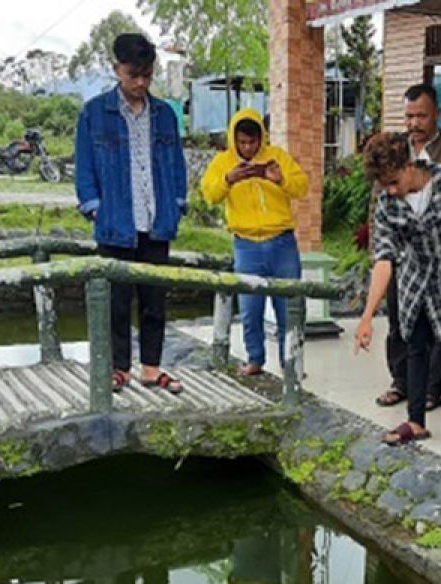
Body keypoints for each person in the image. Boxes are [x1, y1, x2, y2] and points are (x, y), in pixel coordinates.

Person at [354, 133, 441, 458]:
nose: (391, 190)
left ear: (409, 164)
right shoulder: (388, 205)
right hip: (415, 278)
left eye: (394, 181)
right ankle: (415, 422)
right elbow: (384, 259)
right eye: (385, 185)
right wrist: (367, 316)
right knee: (415, 345)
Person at [75, 33, 188, 394]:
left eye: (146, 75)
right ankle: (118, 368)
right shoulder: (94, 113)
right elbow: (84, 168)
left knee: (155, 300)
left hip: (157, 221)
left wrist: (179, 203)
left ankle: (151, 368)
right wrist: (94, 209)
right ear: (116, 70)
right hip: (116, 223)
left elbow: (177, 166)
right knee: (117, 303)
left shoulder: (165, 114)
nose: (140, 83)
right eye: (132, 75)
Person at [374, 84, 441, 413]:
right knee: (400, 323)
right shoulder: (395, 150)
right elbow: (381, 199)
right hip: (402, 257)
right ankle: (401, 382)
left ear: (436, 115)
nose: (414, 123)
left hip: (439, 259)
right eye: (409, 116)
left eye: (421, 115)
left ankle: (431, 389)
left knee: (436, 327)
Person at [199, 108, 309, 375]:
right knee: (250, 309)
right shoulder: (223, 162)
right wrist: (229, 179)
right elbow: (209, 194)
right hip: (246, 245)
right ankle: (255, 359)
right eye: (242, 142)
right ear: (234, 139)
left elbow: (302, 186)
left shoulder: (277, 158)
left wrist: (280, 179)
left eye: (253, 141)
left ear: (262, 137)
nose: (248, 148)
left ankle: (290, 364)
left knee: (289, 308)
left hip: (282, 243)